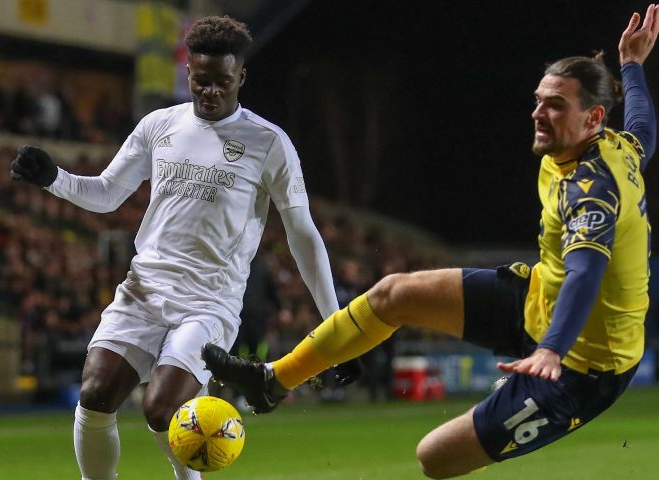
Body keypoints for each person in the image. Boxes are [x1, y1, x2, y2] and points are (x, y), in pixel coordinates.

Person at [203, 5, 659, 479]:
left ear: (594, 118)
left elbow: (586, 271)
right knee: (393, 294)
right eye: (539, 100)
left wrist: (552, 350)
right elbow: (644, 129)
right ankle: (272, 381)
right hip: (538, 303)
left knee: (435, 457)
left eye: (555, 105)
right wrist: (632, 65)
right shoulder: (614, 146)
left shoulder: (593, 189)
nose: (538, 113)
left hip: (583, 367)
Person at [10, 16, 359, 480]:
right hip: (143, 289)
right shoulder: (159, 125)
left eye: (221, 82)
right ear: (188, 72)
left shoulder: (268, 142)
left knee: (161, 409)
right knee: (94, 395)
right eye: (200, 80)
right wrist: (54, 179)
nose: (209, 91)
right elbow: (107, 194)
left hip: (209, 302)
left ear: (241, 78)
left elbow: (302, 234)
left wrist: (335, 324)